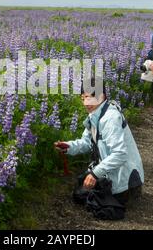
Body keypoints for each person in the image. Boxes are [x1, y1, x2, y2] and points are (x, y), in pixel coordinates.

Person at [54, 77, 144, 211]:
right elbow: (86, 142)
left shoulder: (110, 118)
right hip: (110, 173)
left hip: (125, 181)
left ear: (103, 97)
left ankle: (128, 195)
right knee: (80, 192)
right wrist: (69, 146)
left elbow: (120, 154)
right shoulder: (96, 114)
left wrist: (95, 174)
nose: (86, 103)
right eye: (84, 98)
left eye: (91, 98)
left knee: (95, 204)